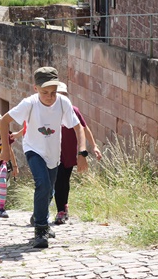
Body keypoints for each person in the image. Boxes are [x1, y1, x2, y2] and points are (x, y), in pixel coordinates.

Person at [0, 66, 88, 249]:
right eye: (45, 92)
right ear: (36, 88)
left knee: (49, 191)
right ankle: (40, 230)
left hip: (53, 153)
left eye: (53, 92)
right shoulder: (29, 104)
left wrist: (82, 152)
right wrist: (6, 150)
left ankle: (38, 216)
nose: (50, 96)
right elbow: (4, 121)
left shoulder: (63, 102)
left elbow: (78, 127)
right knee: (43, 184)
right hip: (33, 150)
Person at [53, 82, 102, 225]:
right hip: (52, 152)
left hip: (68, 152)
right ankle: (58, 210)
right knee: (56, 181)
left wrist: (94, 146)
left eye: (64, 95)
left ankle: (63, 207)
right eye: (59, 95)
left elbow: (84, 128)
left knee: (63, 180)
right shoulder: (48, 111)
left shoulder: (73, 110)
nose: (61, 98)